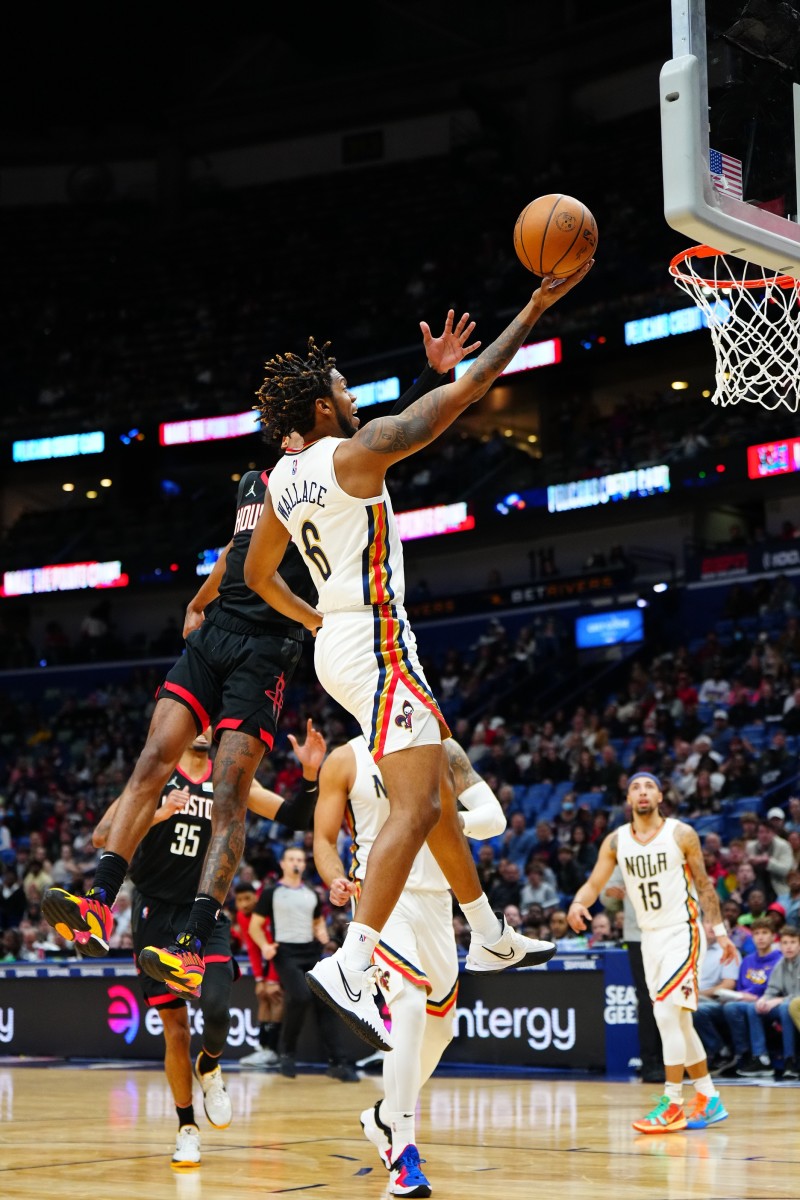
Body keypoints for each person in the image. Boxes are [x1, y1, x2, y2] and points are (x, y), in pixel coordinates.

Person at [40, 313, 474, 997]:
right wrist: (198, 598)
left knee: (228, 795)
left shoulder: (336, 471)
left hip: (269, 648)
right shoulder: (262, 485)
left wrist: (431, 376)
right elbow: (237, 557)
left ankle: (192, 941)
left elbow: (390, 433)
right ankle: (97, 899)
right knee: (153, 760)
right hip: (219, 637)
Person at [244, 268, 591, 1048]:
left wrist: (318, 620)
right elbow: (458, 403)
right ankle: (351, 960)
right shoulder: (353, 455)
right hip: (375, 636)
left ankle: (489, 932)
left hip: (340, 641)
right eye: (342, 386)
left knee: (430, 783)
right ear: (324, 407)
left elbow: (260, 574)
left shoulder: (282, 481)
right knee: (418, 805)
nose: (352, 392)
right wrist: (533, 306)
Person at [90, 722, 325, 1167]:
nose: (204, 727)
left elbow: (296, 818)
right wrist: (156, 812)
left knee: (217, 1008)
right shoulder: (156, 771)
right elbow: (103, 836)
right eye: (197, 718)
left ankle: (210, 1064)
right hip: (156, 912)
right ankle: (186, 1127)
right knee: (175, 1030)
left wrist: (310, 775)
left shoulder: (230, 776)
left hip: (206, 910)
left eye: (212, 720)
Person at [313, 732, 514, 1198]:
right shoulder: (344, 759)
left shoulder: (442, 749)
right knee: (408, 1005)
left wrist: (442, 821)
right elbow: (323, 840)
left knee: (440, 1031)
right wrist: (334, 877)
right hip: (382, 900)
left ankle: (384, 1115)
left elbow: (494, 818)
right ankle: (403, 1152)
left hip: (438, 899)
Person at [568, 771, 737, 1133]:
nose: (642, 792)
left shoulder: (681, 834)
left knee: (663, 1013)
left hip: (683, 931)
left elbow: (705, 886)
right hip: (649, 938)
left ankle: (673, 1102)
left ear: (660, 796)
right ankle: (708, 1097)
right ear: (628, 799)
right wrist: (577, 903)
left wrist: (721, 934)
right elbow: (595, 883)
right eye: (634, 787)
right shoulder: (615, 842)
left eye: (649, 787)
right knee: (679, 1020)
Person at [246, 845, 358, 1081]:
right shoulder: (271, 893)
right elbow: (254, 926)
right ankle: (286, 1054)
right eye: (291, 859)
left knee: (326, 1002)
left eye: (300, 859)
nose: (296, 862)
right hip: (285, 953)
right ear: (283, 864)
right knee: (299, 996)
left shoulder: (311, 893)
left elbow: (317, 921)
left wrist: (322, 934)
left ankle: (338, 1062)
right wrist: (265, 945)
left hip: (311, 951)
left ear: (304, 865)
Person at [605, 865, 663, 1083]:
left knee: (670, 998)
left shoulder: (671, 852)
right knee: (648, 998)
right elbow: (607, 897)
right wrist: (612, 893)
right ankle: (650, 1062)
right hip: (638, 936)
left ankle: (672, 1060)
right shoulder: (624, 860)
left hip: (670, 934)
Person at [721, 916, 783, 1078]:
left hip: (771, 1005)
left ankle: (761, 1057)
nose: (760, 937)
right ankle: (744, 1053)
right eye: (756, 933)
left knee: (751, 1007)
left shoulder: (780, 959)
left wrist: (756, 999)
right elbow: (741, 988)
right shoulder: (747, 960)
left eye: (765, 933)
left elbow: (780, 990)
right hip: (746, 1003)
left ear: (773, 936)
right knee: (729, 1007)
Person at [230, 882, 283, 1068]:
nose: (244, 904)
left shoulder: (267, 914)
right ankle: (263, 1047)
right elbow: (253, 949)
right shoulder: (241, 917)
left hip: (282, 953)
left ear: (256, 898)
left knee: (275, 996)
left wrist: (272, 980)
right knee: (262, 995)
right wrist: (260, 979)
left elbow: (278, 946)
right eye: (239, 900)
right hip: (268, 957)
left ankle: (274, 1051)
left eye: (247, 898)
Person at [691, 920, 740, 1071]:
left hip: (717, 1001)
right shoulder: (692, 950)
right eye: (709, 923)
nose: (712, 927)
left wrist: (698, 995)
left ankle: (719, 1050)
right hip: (691, 997)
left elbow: (728, 984)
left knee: (695, 1009)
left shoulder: (728, 950)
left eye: (718, 925)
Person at [753, 923, 800, 1078]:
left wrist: (779, 1000)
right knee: (754, 1009)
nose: (789, 947)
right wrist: (764, 999)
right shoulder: (781, 964)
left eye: (793, 942)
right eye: (785, 943)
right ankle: (759, 1058)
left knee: (785, 1007)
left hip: (793, 1005)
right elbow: (772, 989)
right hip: (786, 1003)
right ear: (779, 945)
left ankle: (790, 1060)